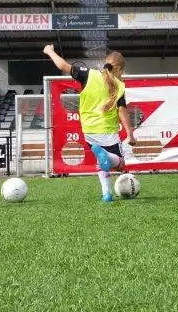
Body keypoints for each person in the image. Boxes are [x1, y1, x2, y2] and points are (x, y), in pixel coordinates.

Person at [43, 45, 137, 202]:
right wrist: (130, 134)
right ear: (119, 69)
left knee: (101, 163)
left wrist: (49, 51)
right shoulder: (119, 86)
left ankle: (106, 194)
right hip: (108, 132)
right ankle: (106, 155)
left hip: (89, 131)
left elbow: (62, 66)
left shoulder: (88, 75)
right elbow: (122, 111)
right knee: (120, 165)